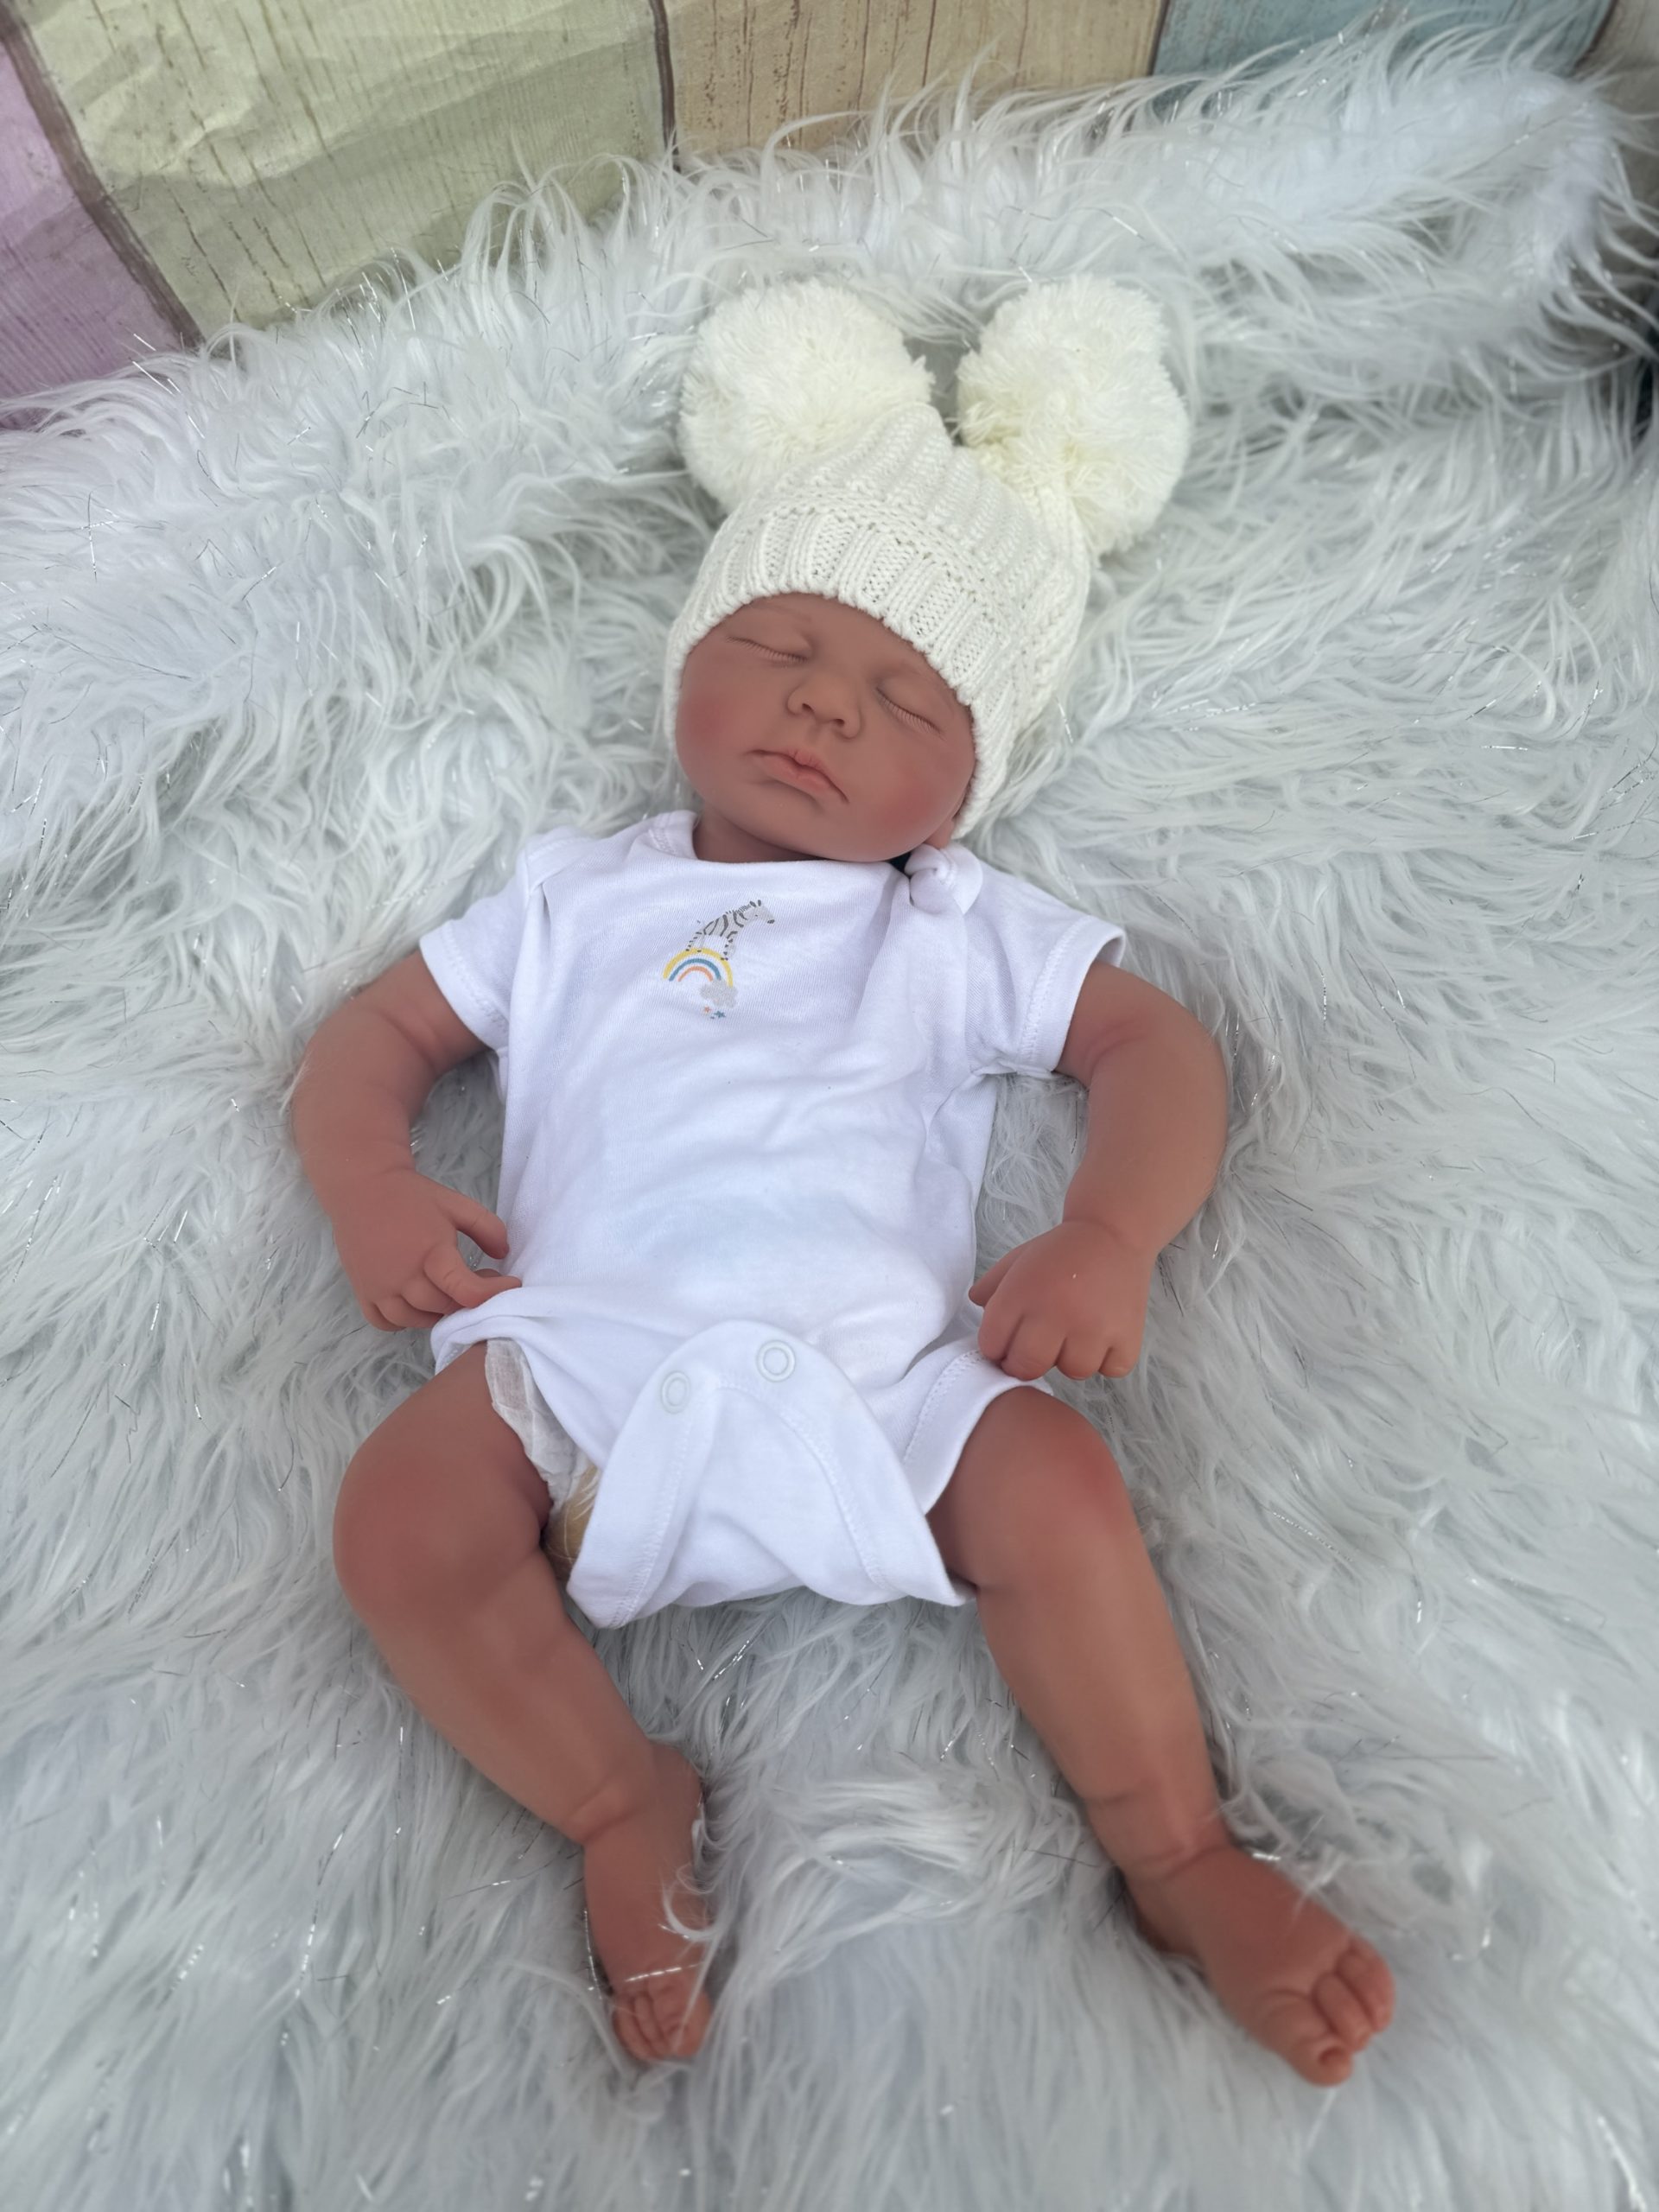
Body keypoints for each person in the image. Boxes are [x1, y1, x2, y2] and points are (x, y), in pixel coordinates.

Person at [289, 276, 1395, 2078]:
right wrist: (370, 1185)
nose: (824, 702)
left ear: (960, 790)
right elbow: (372, 1039)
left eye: (903, 696)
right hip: (582, 1366)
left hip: (883, 1381)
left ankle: (1181, 1853)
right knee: (399, 1521)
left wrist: (1109, 1231)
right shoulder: (576, 897)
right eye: (780, 642)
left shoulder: (946, 922)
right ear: (686, 663)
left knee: (1056, 1493)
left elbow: (1158, 1049)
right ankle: (616, 1796)